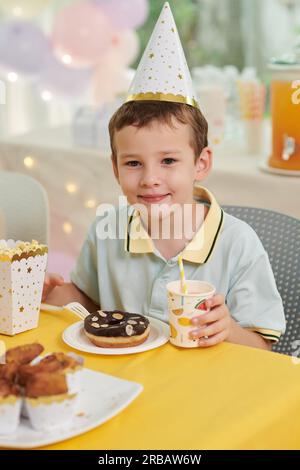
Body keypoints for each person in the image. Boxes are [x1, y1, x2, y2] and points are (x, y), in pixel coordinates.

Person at [42, 3, 285, 350]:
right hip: (129, 382)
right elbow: (92, 306)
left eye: (168, 160)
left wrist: (228, 329)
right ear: (115, 167)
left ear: (201, 164)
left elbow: (264, 346)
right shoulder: (106, 231)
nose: (150, 179)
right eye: (133, 163)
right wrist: (57, 294)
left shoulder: (237, 244)